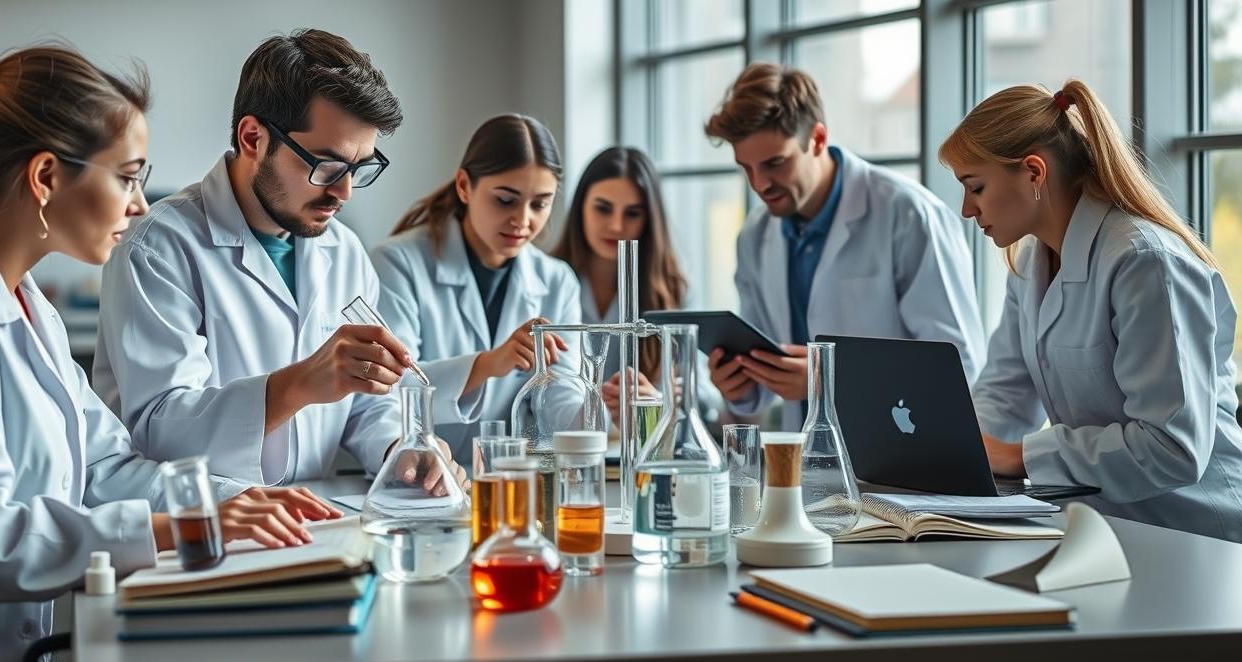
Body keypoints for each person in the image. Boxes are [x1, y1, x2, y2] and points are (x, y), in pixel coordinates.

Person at [0, 23, 337, 662]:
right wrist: (182, 528)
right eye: (128, 178)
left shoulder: (26, 307)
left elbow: (102, 468)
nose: (138, 206)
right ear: (46, 176)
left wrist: (219, 500)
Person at [94, 29, 464, 489]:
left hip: (311, 525)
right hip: (201, 525)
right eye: (326, 165)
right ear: (253, 138)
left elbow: (366, 405)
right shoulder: (158, 248)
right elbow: (157, 431)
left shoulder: (344, 252)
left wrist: (402, 447)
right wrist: (299, 384)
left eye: (360, 168)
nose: (343, 191)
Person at [941, 79, 1242, 542]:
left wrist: (1018, 456)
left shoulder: (1144, 261)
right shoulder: (1030, 262)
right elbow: (1004, 393)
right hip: (1106, 525)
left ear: (1034, 173)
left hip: (1199, 531)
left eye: (975, 187)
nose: (966, 210)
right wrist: (950, 461)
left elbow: (1172, 448)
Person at [703, 63, 985, 429]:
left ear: (818, 139)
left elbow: (959, 365)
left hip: (900, 458)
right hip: (803, 464)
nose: (760, 184)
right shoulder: (756, 235)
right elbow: (762, 375)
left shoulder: (909, 215)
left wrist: (827, 379)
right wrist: (738, 385)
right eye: (746, 168)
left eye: (775, 163)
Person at [371, 114, 580, 464]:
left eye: (540, 203)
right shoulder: (398, 263)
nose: (523, 219)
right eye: (505, 200)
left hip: (504, 480)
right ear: (465, 186)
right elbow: (390, 390)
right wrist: (487, 364)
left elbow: (561, 393)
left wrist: (602, 411)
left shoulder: (557, 281)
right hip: (418, 475)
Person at [549, 146, 723, 420]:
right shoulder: (548, 283)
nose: (617, 226)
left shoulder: (673, 291)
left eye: (632, 213)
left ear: (650, 219)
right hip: (571, 450)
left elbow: (705, 391)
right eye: (603, 208)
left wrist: (658, 398)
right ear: (580, 206)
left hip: (644, 450)